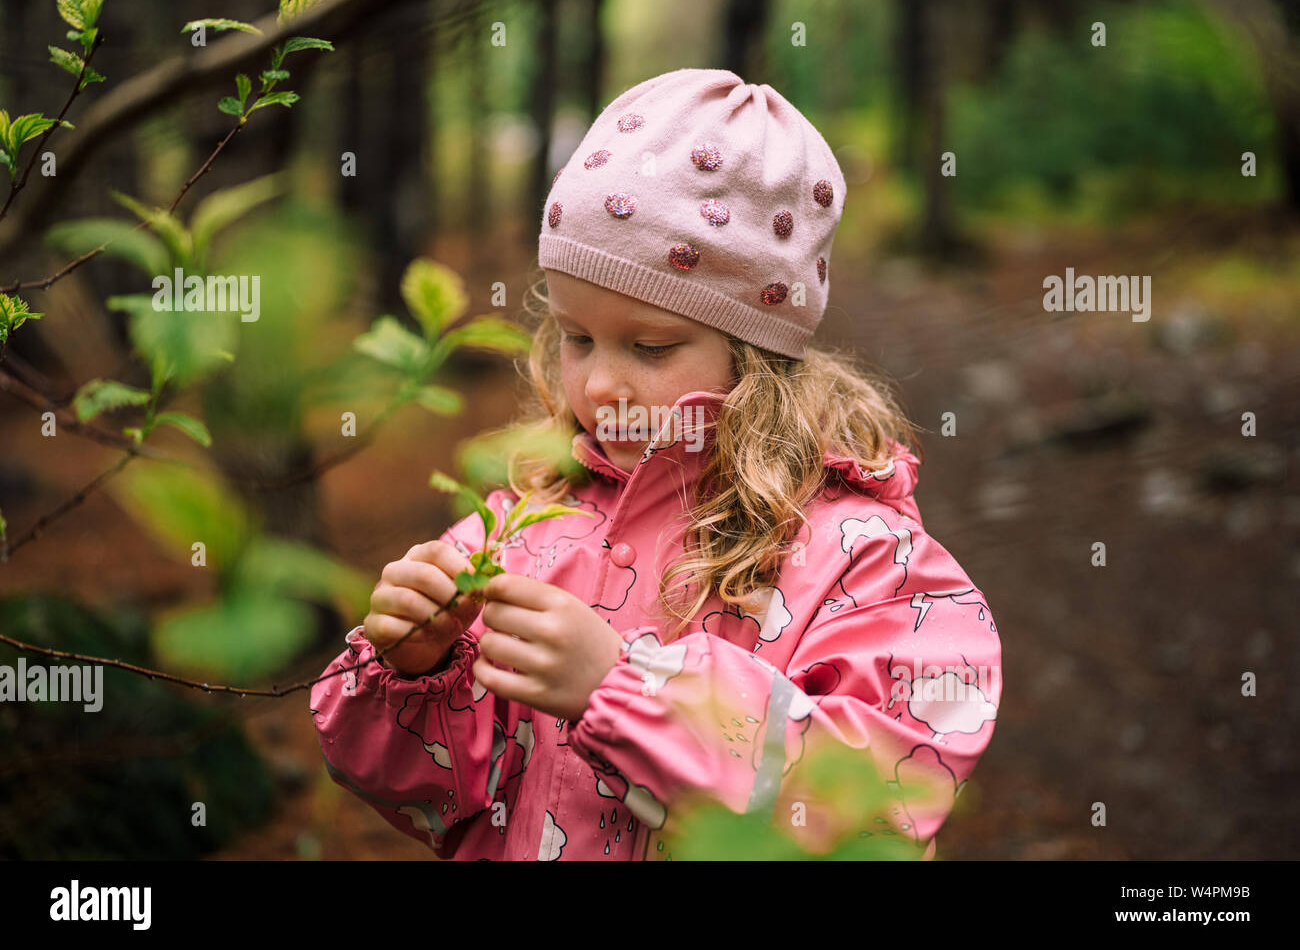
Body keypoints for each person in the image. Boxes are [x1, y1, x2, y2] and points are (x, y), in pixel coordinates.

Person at [310, 68, 1001, 860]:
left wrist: (629, 690)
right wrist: (413, 669)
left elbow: (880, 806)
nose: (600, 382)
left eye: (650, 346)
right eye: (576, 338)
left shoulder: (860, 561)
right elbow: (428, 790)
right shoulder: (525, 524)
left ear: (759, 353)